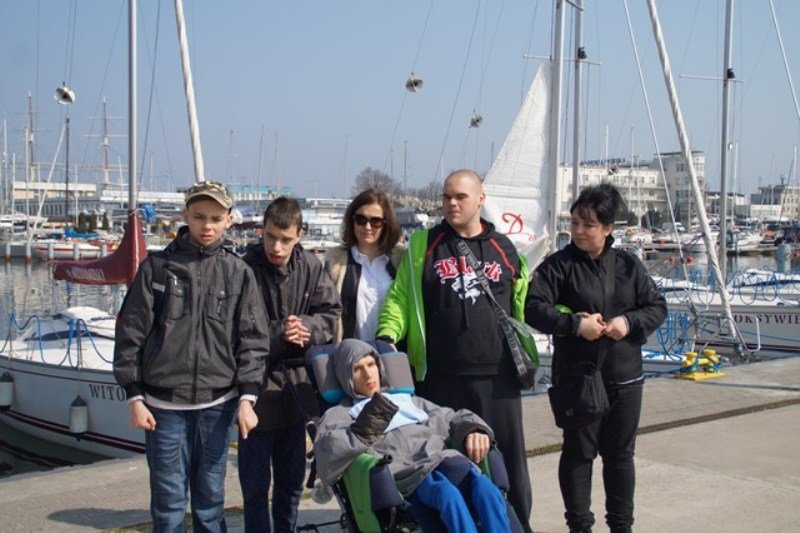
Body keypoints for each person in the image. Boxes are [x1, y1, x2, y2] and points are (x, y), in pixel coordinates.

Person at [376, 169, 533, 530]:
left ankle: (518, 525)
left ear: (480, 199)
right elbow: (401, 297)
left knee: (508, 464)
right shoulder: (423, 245)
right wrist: (387, 334)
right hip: (440, 378)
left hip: (498, 378)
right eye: (446, 197)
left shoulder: (505, 249)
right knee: (447, 464)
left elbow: (525, 301)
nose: (451, 203)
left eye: (461, 196)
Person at [113, 180, 270, 532]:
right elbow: (130, 335)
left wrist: (248, 398)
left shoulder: (238, 273)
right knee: (168, 505)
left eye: (215, 218)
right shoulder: (156, 268)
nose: (207, 225)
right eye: (199, 216)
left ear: (229, 219)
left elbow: (253, 341)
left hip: (218, 407)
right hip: (163, 408)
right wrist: (134, 396)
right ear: (185, 216)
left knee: (210, 502)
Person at [525, 183, 667, 533]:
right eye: (574, 222)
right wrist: (575, 325)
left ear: (607, 228)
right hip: (578, 378)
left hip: (625, 378)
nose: (578, 231)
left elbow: (657, 307)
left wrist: (628, 322)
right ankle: (580, 526)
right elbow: (533, 309)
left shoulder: (628, 265)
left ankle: (622, 526)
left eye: (588, 225)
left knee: (620, 457)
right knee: (578, 454)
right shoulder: (558, 266)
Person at [315, 339, 511, 533]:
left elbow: (453, 417)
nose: (368, 374)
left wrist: (474, 429)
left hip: (444, 460)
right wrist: (364, 430)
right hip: (407, 474)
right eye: (357, 369)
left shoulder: (409, 400)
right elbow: (327, 457)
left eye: (371, 364)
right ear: (345, 375)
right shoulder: (340, 414)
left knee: (487, 491)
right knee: (447, 495)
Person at [238, 196, 342, 533]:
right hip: (256, 390)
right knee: (255, 487)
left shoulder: (310, 266)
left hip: (297, 394)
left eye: (285, 239)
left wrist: (309, 328)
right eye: (270, 237)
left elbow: (331, 313)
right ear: (262, 230)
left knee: (291, 484)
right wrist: (279, 332)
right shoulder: (245, 268)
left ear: (299, 235)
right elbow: (234, 331)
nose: (276, 247)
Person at [325, 188, 404, 342]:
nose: (367, 227)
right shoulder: (336, 262)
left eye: (375, 221)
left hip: (393, 350)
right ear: (352, 220)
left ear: (386, 223)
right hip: (351, 352)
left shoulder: (401, 260)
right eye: (360, 219)